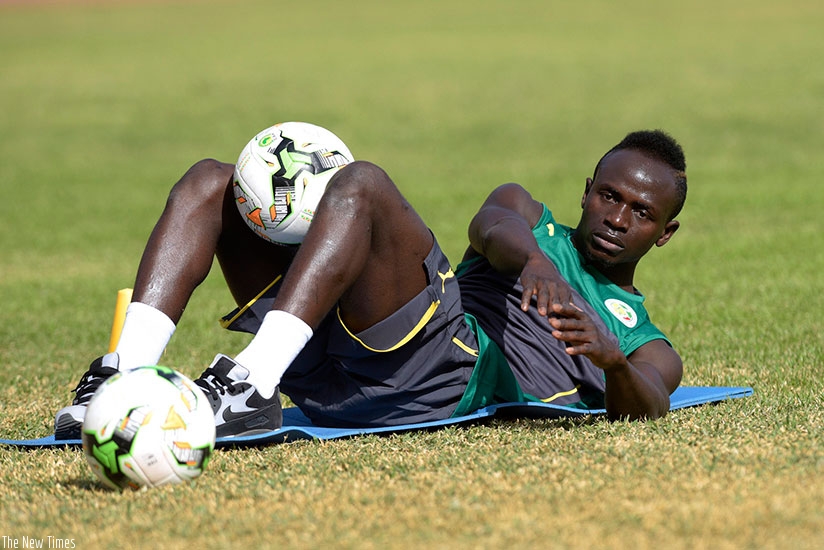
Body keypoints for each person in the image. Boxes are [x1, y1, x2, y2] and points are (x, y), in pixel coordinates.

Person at [54, 128, 687, 440]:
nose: (617, 217)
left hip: (440, 373)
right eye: (609, 195)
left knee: (363, 183)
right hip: (333, 351)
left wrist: (613, 362)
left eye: (641, 212)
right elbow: (491, 224)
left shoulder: (643, 336)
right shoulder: (529, 216)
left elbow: (652, 402)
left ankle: (248, 387)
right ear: (587, 190)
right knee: (209, 180)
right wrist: (536, 263)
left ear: (665, 233)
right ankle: (120, 376)